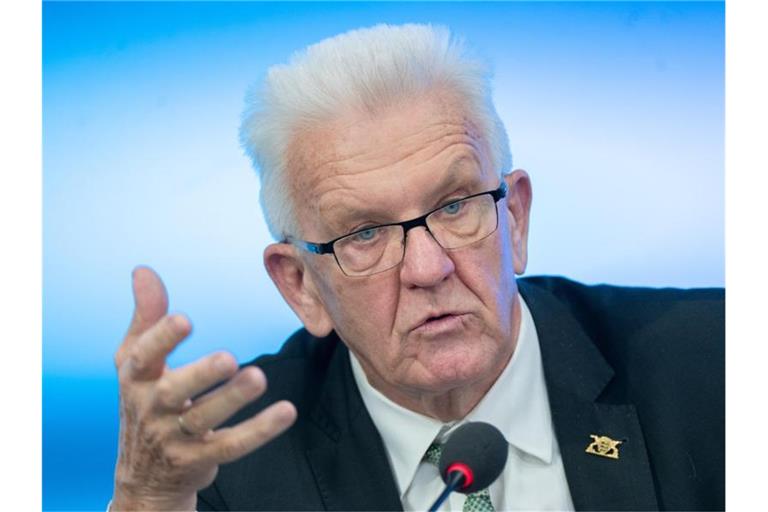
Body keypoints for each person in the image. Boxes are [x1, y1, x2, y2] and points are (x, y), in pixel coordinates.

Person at [109, 24, 724, 511]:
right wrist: (146, 502)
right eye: (366, 233)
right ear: (301, 285)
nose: (428, 268)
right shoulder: (219, 464)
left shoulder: (719, 364)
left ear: (515, 220)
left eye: (455, 206)